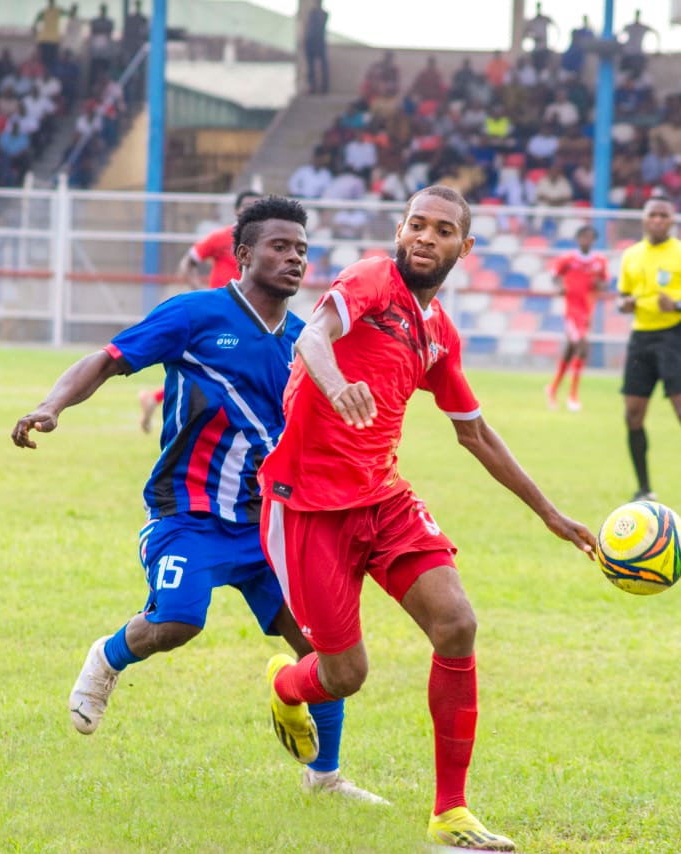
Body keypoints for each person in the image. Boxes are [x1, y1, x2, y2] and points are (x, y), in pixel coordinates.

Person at [11, 196, 384, 803]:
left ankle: (325, 777)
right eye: (279, 247)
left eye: (301, 250)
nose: (294, 259)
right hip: (188, 513)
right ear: (242, 254)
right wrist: (51, 406)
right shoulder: (195, 315)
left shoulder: (302, 340)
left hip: (269, 524)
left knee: (321, 650)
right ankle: (107, 657)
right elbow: (107, 361)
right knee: (180, 621)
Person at [257, 185, 595, 851]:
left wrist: (550, 514)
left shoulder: (439, 336)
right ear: (399, 228)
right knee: (343, 676)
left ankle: (451, 813)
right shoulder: (370, 281)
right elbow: (314, 338)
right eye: (416, 224)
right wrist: (335, 384)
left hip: (383, 500)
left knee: (457, 624)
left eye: (442, 230)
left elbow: (477, 434)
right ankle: (286, 686)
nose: (424, 237)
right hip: (307, 507)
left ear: (462, 249)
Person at [617, 198, 681, 510]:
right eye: (653, 214)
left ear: (673, 220)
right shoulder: (631, 256)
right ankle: (644, 489)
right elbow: (623, 296)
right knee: (633, 414)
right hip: (641, 336)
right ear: (644, 219)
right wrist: (624, 304)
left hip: (672, 337)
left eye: (664, 215)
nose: (658, 220)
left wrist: (679, 305)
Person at [138, 191, 264, 431]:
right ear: (237, 211)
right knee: (220, 360)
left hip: (248, 313)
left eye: (256, 206)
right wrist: (199, 291)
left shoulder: (263, 241)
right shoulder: (221, 237)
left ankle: (154, 399)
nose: (251, 211)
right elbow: (189, 261)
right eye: (247, 206)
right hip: (221, 313)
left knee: (223, 363)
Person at [546, 224, 607, 411]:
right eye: (583, 237)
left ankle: (553, 388)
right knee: (582, 345)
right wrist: (560, 287)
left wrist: (599, 285)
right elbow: (554, 276)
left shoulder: (599, 262)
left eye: (590, 238)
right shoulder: (568, 259)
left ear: (594, 241)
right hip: (572, 312)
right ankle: (573, 395)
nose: (586, 241)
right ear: (578, 239)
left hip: (587, 311)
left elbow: (604, 284)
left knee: (571, 351)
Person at [303, 0, 329, 95]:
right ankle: (312, 87)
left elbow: (318, 27)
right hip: (310, 43)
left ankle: (324, 87)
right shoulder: (312, 14)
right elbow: (309, 28)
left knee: (323, 66)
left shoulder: (323, 14)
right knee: (311, 67)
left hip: (319, 43)